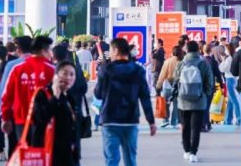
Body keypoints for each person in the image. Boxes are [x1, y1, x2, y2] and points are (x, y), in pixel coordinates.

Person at [94, 38, 156, 166]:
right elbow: (145, 97)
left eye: (110, 50)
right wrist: (151, 121)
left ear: (116, 50)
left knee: (111, 160)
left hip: (110, 120)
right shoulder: (138, 70)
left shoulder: (105, 70)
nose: (109, 53)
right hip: (130, 120)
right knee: (130, 160)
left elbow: (98, 94)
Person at [0, 36, 55, 145]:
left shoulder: (17, 69)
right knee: (43, 156)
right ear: (43, 51)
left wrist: (5, 118)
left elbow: (6, 96)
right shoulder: (52, 70)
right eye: (50, 50)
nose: (51, 54)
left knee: (26, 155)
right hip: (46, 121)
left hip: (21, 120)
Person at [29, 61, 80, 166]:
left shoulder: (69, 97)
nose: (69, 77)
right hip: (50, 154)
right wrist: (55, 96)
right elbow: (40, 118)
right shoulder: (43, 94)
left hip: (68, 155)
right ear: (56, 75)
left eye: (72, 74)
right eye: (65, 73)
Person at [0, 35, 32, 157]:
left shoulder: (12, 65)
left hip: (16, 114)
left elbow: (4, 92)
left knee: (15, 148)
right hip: (39, 115)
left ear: (18, 49)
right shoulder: (45, 65)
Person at [173, 41, 214, 163]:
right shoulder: (204, 64)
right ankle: (193, 153)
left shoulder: (181, 63)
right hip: (199, 100)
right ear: (198, 50)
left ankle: (186, 150)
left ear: (186, 50)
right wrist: (205, 94)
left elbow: (175, 80)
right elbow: (210, 82)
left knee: (185, 126)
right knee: (196, 128)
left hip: (183, 101)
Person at [156, 46, 183, 129]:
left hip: (167, 85)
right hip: (178, 86)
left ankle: (165, 120)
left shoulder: (167, 61)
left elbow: (162, 74)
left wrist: (158, 86)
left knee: (165, 104)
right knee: (176, 104)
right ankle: (174, 122)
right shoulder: (181, 62)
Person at [201, 44, 223, 132]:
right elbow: (218, 74)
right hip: (210, 86)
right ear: (211, 51)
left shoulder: (200, 60)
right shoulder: (213, 62)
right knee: (207, 106)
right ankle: (206, 123)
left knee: (202, 105)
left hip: (200, 87)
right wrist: (221, 84)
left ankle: (205, 123)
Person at [220, 44, 241, 126]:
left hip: (229, 80)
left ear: (228, 50)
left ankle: (239, 119)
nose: (225, 51)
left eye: (226, 49)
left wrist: (222, 61)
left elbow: (222, 68)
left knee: (234, 101)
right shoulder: (235, 57)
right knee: (230, 102)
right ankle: (228, 119)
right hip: (234, 79)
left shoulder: (229, 59)